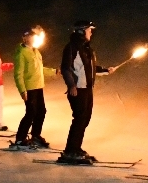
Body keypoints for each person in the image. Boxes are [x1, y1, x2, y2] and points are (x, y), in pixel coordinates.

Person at [58, 20, 115, 164]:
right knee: (79, 119)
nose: (91, 33)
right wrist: (71, 85)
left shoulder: (86, 48)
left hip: (87, 89)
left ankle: (76, 148)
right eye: (89, 30)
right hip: (78, 89)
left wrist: (105, 70)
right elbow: (66, 68)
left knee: (85, 118)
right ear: (81, 31)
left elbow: (90, 68)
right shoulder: (72, 48)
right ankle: (70, 151)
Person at [12, 26, 57, 148]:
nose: (32, 39)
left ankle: (35, 135)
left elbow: (39, 69)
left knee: (41, 111)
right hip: (29, 88)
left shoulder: (36, 51)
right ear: (25, 38)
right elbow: (18, 74)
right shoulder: (21, 53)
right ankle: (20, 139)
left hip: (38, 86)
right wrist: (22, 90)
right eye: (30, 37)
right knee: (31, 113)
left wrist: (54, 71)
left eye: (34, 36)